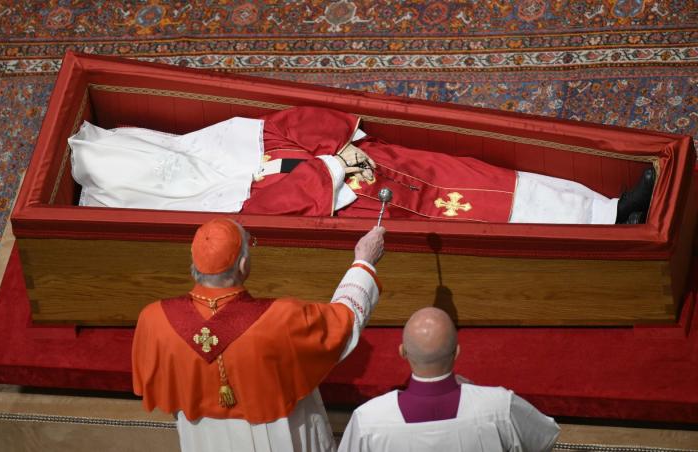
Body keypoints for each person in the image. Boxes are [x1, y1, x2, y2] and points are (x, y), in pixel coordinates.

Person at [69, 106, 655, 225]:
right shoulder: (200, 210)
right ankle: (604, 228)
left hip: (369, 164)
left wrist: (339, 149)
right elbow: (267, 210)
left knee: (478, 174)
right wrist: (330, 170)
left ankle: (602, 206)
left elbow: (286, 124)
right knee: (475, 210)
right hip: (359, 209)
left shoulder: (208, 144)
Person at [131, 218, 386, 452]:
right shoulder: (281, 318)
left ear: (193, 262)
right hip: (278, 435)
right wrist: (363, 262)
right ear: (243, 264)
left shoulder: (153, 319)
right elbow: (344, 320)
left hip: (205, 438)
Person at [338, 307, 560, 452]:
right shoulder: (500, 407)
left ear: (402, 352)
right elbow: (545, 439)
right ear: (457, 351)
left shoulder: (368, 420)